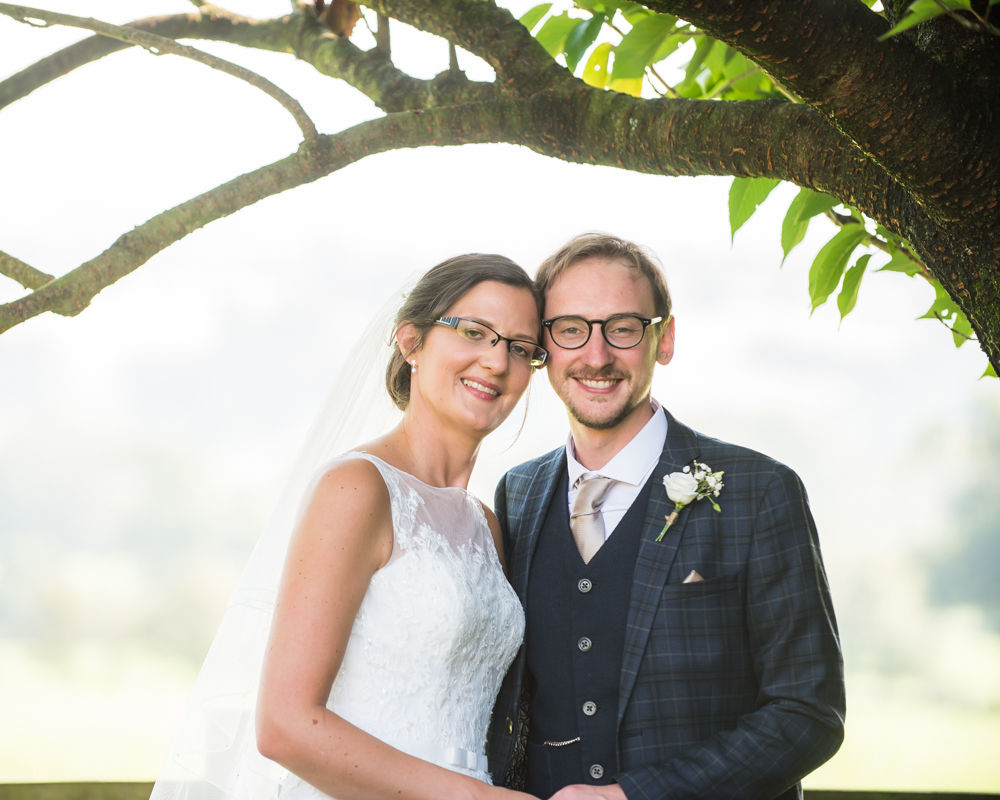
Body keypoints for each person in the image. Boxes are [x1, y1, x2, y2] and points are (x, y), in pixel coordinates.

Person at [151, 254, 547, 800]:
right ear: (410, 342)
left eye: (521, 348)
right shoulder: (357, 488)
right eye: (475, 332)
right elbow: (285, 726)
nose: (498, 362)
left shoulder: (484, 523)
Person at [488, 233, 845, 800]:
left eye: (623, 327)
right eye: (571, 328)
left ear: (665, 338)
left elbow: (809, 713)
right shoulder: (517, 494)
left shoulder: (761, 491)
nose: (597, 355)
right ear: (542, 347)